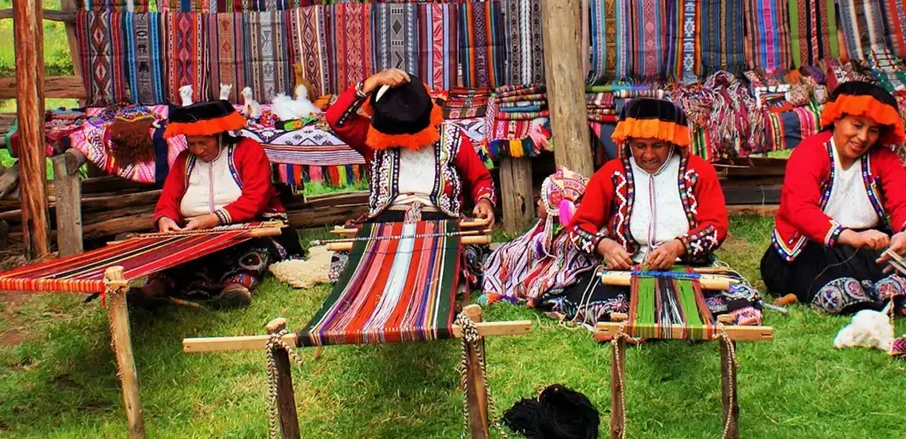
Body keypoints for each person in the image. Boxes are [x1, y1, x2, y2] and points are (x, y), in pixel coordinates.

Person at [550, 98, 765, 327]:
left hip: (688, 268)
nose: (649, 155)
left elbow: (715, 226)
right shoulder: (612, 174)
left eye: (658, 146)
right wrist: (605, 245)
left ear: (672, 142)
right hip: (627, 272)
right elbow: (579, 226)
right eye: (640, 146)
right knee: (594, 303)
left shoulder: (698, 172)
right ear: (628, 142)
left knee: (738, 301)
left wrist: (679, 246)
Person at [760, 81, 906, 318]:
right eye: (856, 125)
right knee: (840, 288)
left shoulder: (883, 159)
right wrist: (852, 237)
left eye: (873, 130)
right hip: (808, 248)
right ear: (836, 119)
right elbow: (799, 209)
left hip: (864, 244)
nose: (863, 137)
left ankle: (900, 301)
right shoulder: (810, 152)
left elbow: (903, 200)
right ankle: (883, 304)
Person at [325, 68, 497, 288]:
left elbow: (480, 178)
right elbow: (335, 118)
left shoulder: (452, 138)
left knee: (466, 259)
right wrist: (372, 82)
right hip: (387, 225)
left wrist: (484, 201)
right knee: (356, 264)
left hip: (441, 222)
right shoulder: (373, 138)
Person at [148, 100, 304, 308]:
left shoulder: (248, 150)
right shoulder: (183, 160)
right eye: (191, 143)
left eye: (203, 143)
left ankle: (234, 290)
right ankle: (153, 291)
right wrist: (166, 217)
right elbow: (168, 199)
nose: (197, 150)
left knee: (255, 251)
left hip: (248, 230)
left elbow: (255, 199)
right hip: (196, 235)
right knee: (176, 257)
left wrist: (213, 219)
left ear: (219, 135)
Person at [481, 168, 592, 306]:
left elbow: (562, 266)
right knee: (504, 253)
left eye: (542, 199)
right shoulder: (545, 225)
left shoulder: (570, 239)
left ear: (555, 206)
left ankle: (515, 290)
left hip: (554, 271)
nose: (538, 202)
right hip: (539, 262)